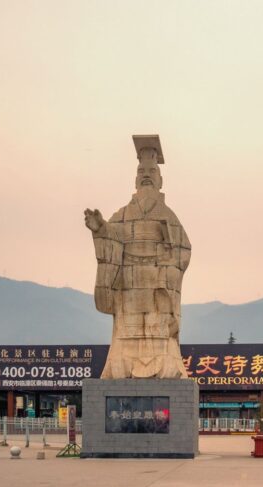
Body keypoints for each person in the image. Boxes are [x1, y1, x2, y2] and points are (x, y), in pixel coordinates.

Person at [85, 135, 191, 379]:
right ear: (135, 179)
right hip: (128, 289)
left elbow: (183, 252)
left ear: (160, 179)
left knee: (160, 335)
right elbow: (111, 237)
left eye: (151, 171)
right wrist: (100, 229)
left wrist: (165, 261)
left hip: (157, 285)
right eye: (142, 170)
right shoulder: (122, 215)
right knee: (125, 335)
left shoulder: (169, 216)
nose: (146, 174)